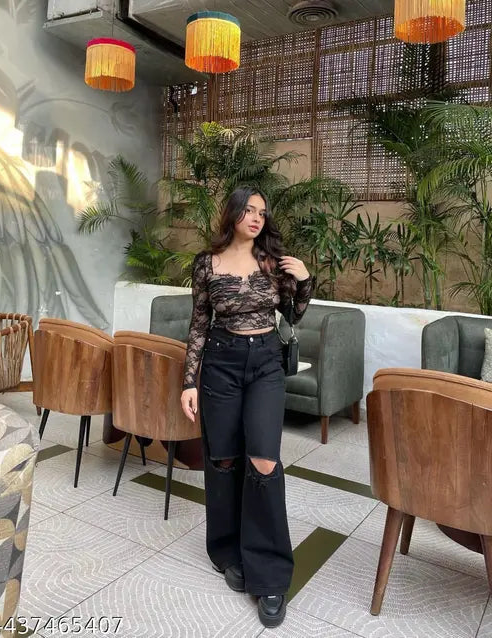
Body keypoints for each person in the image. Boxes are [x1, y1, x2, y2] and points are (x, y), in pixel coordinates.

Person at [180, 186, 312, 628]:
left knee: (264, 460)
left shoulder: (272, 262)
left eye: (262, 212)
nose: (257, 218)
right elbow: (199, 323)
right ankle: (227, 550)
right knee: (223, 459)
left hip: (265, 364)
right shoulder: (206, 263)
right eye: (249, 210)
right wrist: (188, 382)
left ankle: (270, 574)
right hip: (221, 362)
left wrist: (304, 280)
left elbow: (293, 315)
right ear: (233, 213)